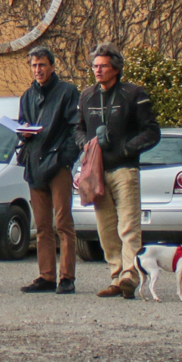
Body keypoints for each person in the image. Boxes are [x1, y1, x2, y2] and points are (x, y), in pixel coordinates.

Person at [78, 43, 161, 298]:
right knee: (105, 229)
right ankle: (115, 277)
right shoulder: (87, 96)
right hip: (97, 171)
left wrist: (127, 149)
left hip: (125, 170)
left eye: (103, 66)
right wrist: (86, 144)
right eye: (95, 66)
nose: (97, 70)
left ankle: (129, 277)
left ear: (116, 68)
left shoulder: (134, 93)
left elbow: (152, 132)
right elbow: (77, 129)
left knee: (128, 227)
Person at [17, 47, 82, 294]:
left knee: (63, 223)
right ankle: (46, 276)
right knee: (42, 226)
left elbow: (76, 128)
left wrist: (66, 158)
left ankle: (67, 277)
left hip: (57, 164)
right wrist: (23, 134)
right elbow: (23, 125)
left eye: (42, 65)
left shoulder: (67, 92)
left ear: (52, 66)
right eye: (34, 66)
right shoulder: (27, 95)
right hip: (34, 163)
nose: (38, 70)